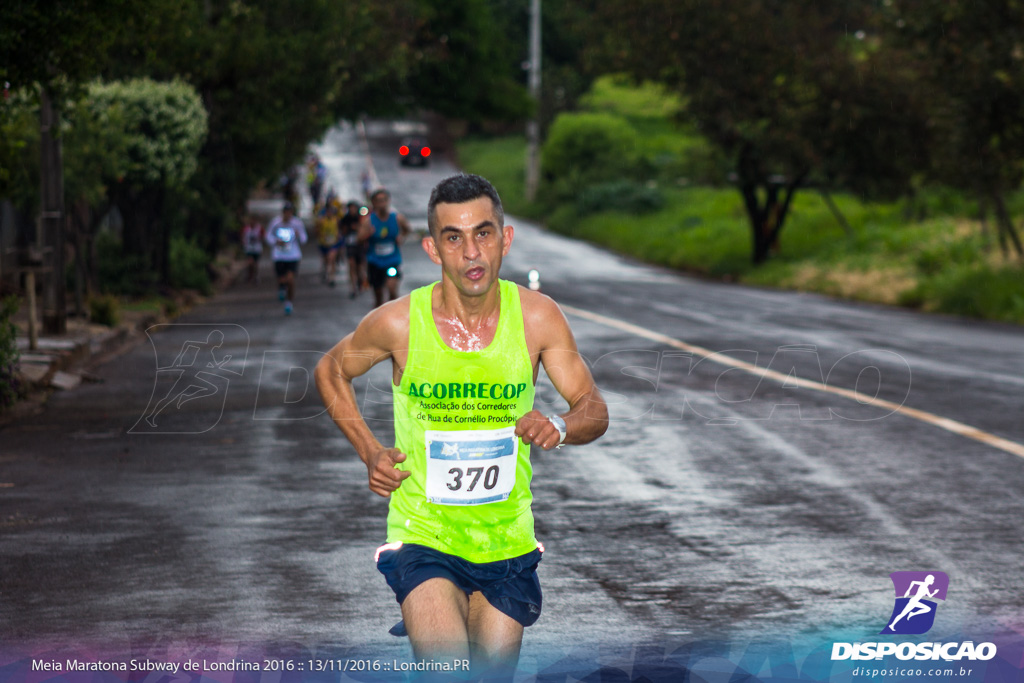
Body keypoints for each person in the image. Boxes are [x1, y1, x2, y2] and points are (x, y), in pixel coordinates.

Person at [314, 174, 608, 677]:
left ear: (505, 239)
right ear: (433, 248)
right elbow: (330, 369)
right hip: (425, 533)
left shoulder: (537, 319)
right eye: (454, 237)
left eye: (483, 233)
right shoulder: (400, 323)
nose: (471, 252)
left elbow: (593, 407)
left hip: (506, 540)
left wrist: (558, 425)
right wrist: (369, 451)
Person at [359, 188, 411, 307]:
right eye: (378, 201)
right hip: (375, 261)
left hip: (392, 260)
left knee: (392, 290)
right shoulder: (369, 221)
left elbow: (407, 229)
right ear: (373, 203)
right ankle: (378, 317)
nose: (382, 204)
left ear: (388, 201)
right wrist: (367, 234)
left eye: (384, 200)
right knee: (378, 295)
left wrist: (401, 237)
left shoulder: (397, 218)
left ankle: (392, 316)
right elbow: (359, 238)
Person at [266, 201, 308, 315]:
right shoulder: (276, 223)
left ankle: (289, 302)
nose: (288, 214)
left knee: (291, 280)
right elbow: (268, 236)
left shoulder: (297, 223)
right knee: (281, 279)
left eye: (290, 212)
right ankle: (281, 288)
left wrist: (298, 235)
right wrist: (276, 241)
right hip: (279, 256)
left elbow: (304, 239)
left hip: (293, 255)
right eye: (286, 212)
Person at [340, 200, 368, 298]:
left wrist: (358, 228)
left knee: (360, 266)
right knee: (351, 265)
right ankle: (353, 287)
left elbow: (365, 230)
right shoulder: (345, 219)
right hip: (350, 245)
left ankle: (361, 281)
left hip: (359, 246)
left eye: (354, 208)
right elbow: (341, 231)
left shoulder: (361, 219)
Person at [315, 202, 341, 287]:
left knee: (331, 258)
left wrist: (338, 237)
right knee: (326, 260)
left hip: (333, 243)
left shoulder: (336, 220)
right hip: (324, 243)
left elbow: (339, 229)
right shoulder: (321, 221)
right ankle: (326, 271)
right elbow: (317, 231)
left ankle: (332, 277)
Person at [240, 216, 265, 284]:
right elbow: (242, 236)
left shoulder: (259, 228)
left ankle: (255, 276)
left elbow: (263, 237)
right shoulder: (246, 229)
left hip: (257, 248)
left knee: (255, 264)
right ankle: (250, 275)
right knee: (250, 262)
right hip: (249, 248)